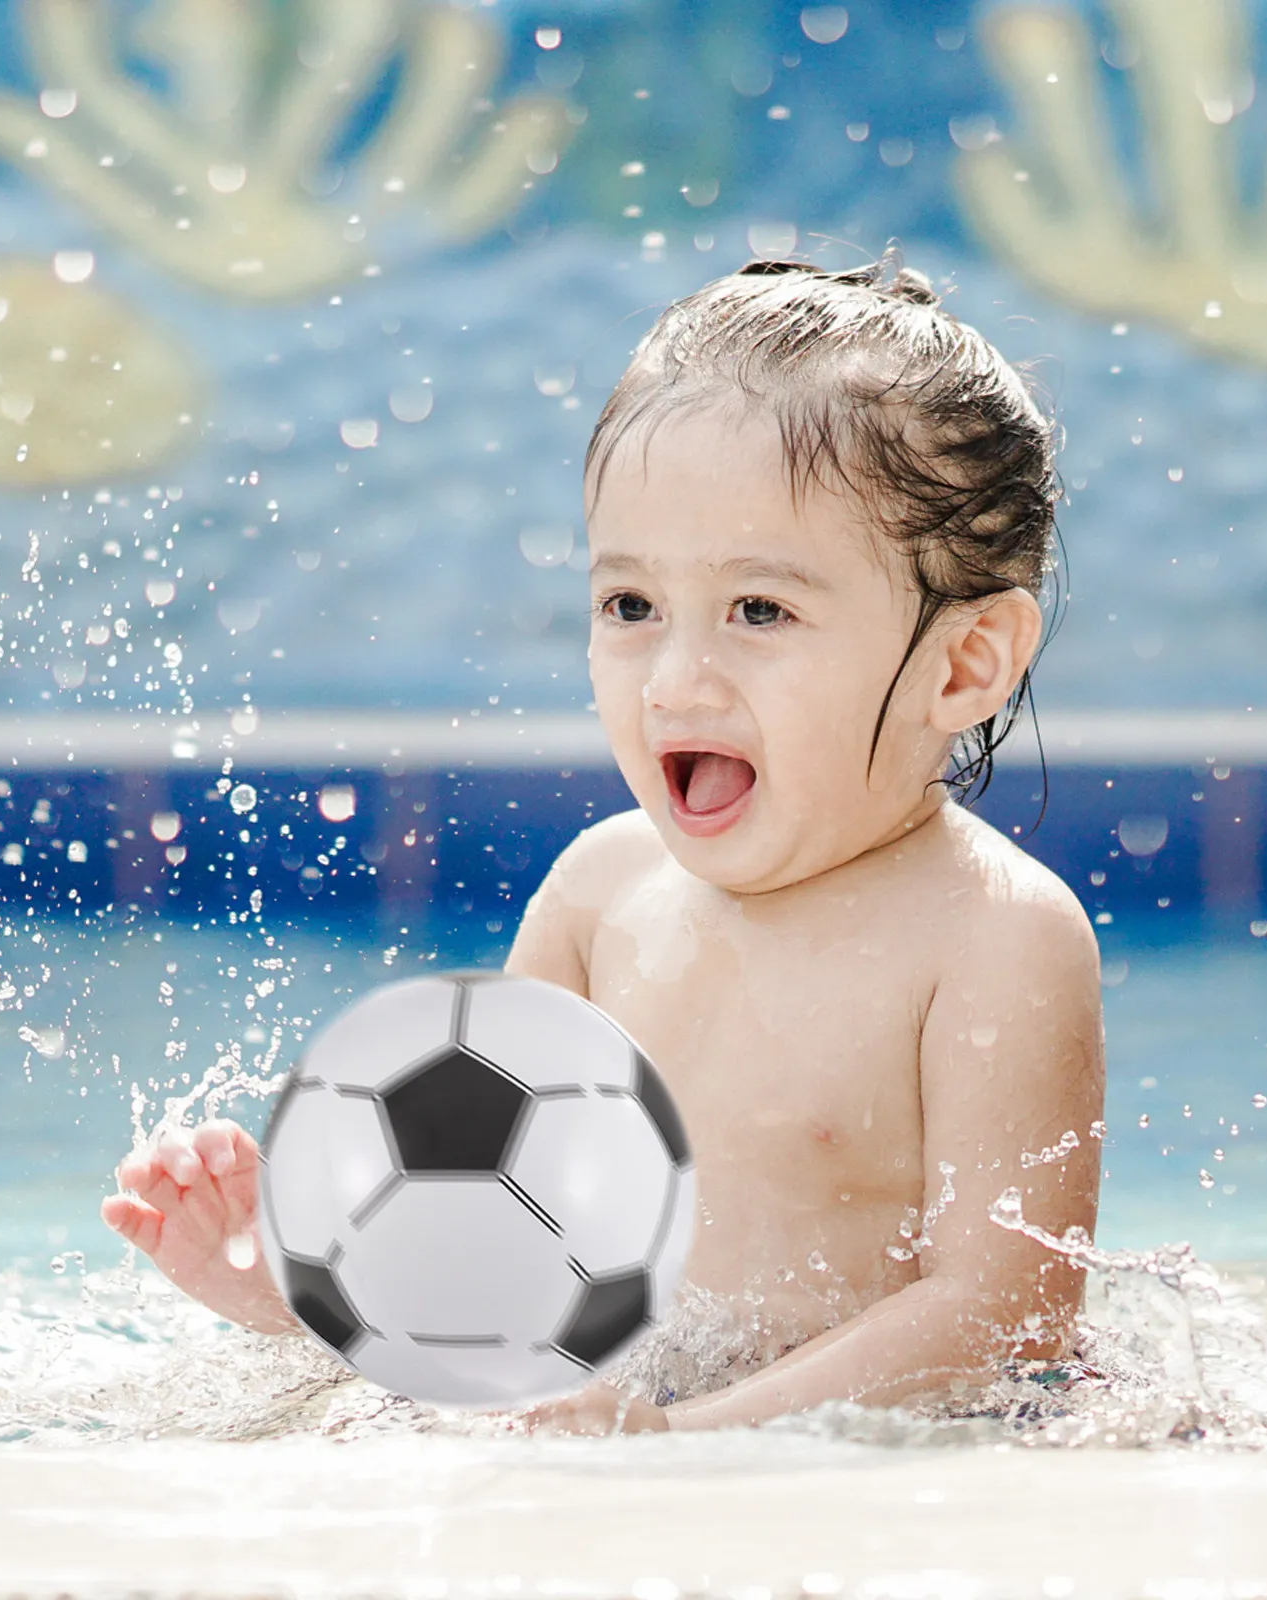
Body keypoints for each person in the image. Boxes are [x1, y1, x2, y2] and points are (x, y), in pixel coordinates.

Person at [99, 253, 1105, 1434]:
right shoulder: (600, 895)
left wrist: (683, 1440)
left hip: (862, 1468)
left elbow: (1000, 1314)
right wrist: (304, 1295)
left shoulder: (992, 939)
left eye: (760, 610)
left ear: (964, 663)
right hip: (642, 1430)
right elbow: (496, 1244)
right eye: (631, 605)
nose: (675, 678)